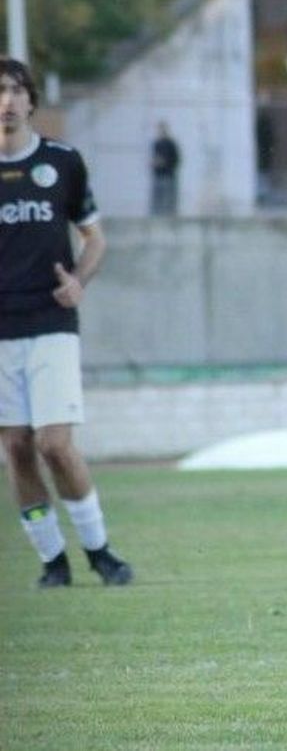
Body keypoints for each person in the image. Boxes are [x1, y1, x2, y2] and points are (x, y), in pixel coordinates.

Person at [0, 57, 134, 588]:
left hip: (51, 323)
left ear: (31, 100)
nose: (7, 102)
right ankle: (52, 560)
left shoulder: (61, 162)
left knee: (54, 444)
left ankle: (99, 551)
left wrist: (78, 280)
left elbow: (94, 238)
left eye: (15, 90)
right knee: (16, 446)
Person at [150, 121, 180, 216]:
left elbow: (176, 160)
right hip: (158, 176)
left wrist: (164, 162)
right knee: (157, 201)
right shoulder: (156, 144)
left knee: (169, 201)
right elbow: (155, 158)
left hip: (168, 177)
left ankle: (170, 215)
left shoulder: (171, 144)